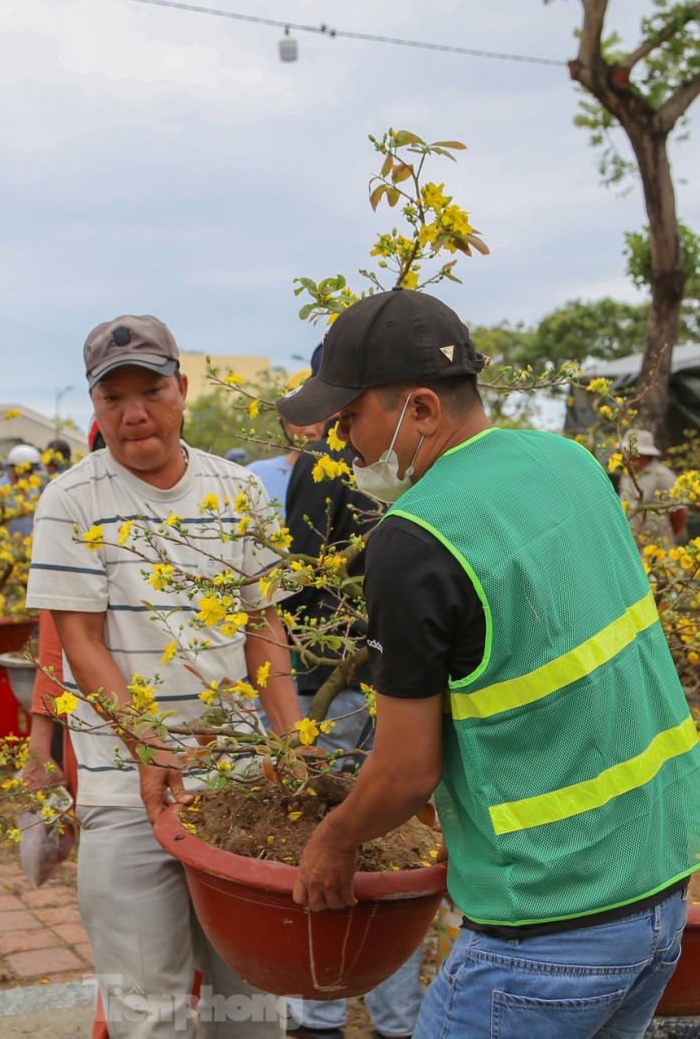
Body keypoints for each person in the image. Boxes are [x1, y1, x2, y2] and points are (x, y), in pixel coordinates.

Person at [278, 290, 700, 1039]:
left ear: (420, 408)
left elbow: (403, 770)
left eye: (351, 416)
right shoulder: (572, 463)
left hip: (546, 931)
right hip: (660, 890)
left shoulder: (415, 537)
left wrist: (336, 838)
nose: (342, 438)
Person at [27, 314, 300, 1039]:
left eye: (149, 389)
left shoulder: (238, 490)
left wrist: (293, 744)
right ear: (94, 407)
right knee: (146, 1007)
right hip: (126, 786)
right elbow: (81, 642)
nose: (133, 412)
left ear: (181, 388)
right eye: (111, 398)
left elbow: (262, 626)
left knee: (252, 1002)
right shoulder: (71, 501)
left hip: (239, 783)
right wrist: (150, 746)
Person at [281, 398, 421, 1039]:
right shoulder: (346, 463)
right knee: (363, 841)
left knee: (361, 841)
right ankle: (348, 1014)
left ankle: (331, 1013)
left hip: (365, 681)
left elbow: (301, 571)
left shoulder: (352, 462)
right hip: (353, 680)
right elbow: (307, 577)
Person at [248, 371, 327, 513]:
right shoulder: (256, 476)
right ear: (285, 424)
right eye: (301, 419)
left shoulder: (348, 474)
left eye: (319, 419)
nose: (310, 430)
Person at [618, 429, 687, 544]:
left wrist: (666, 537)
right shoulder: (626, 475)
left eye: (627, 451)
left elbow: (680, 512)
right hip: (631, 545)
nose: (623, 455)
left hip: (656, 548)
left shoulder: (663, 476)